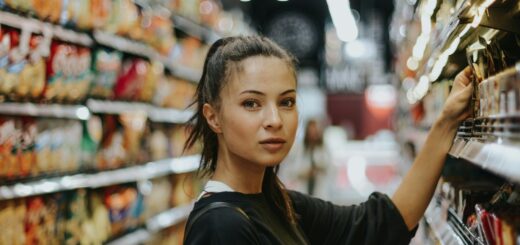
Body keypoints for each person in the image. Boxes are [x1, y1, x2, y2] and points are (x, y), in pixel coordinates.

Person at [182, 36, 473, 244]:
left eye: (286, 102)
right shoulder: (221, 226)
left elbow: (382, 224)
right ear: (213, 117)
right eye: (251, 104)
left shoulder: (279, 203)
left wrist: (446, 122)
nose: (274, 119)